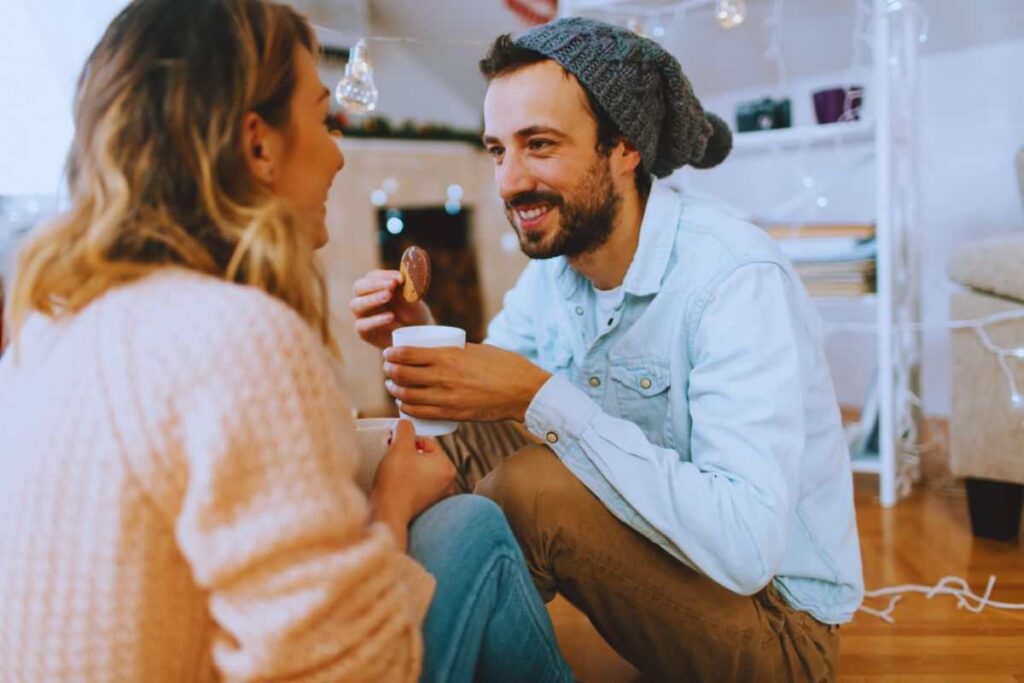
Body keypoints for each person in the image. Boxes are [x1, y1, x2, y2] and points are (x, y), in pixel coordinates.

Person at [0, 2, 573, 681]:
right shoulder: (237, 335)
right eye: (323, 117)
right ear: (259, 143)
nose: (336, 152)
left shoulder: (48, 324)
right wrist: (392, 501)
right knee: (469, 528)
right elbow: (352, 667)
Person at [350, 17, 864, 681]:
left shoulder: (735, 281)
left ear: (623, 148)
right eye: (497, 150)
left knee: (528, 490)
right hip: (676, 561)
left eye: (539, 144)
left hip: (775, 623)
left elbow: (746, 546)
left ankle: (418, 652)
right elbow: (480, 407)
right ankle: (381, 637)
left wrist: (541, 397)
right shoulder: (558, 269)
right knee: (422, 448)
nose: (509, 182)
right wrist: (420, 332)